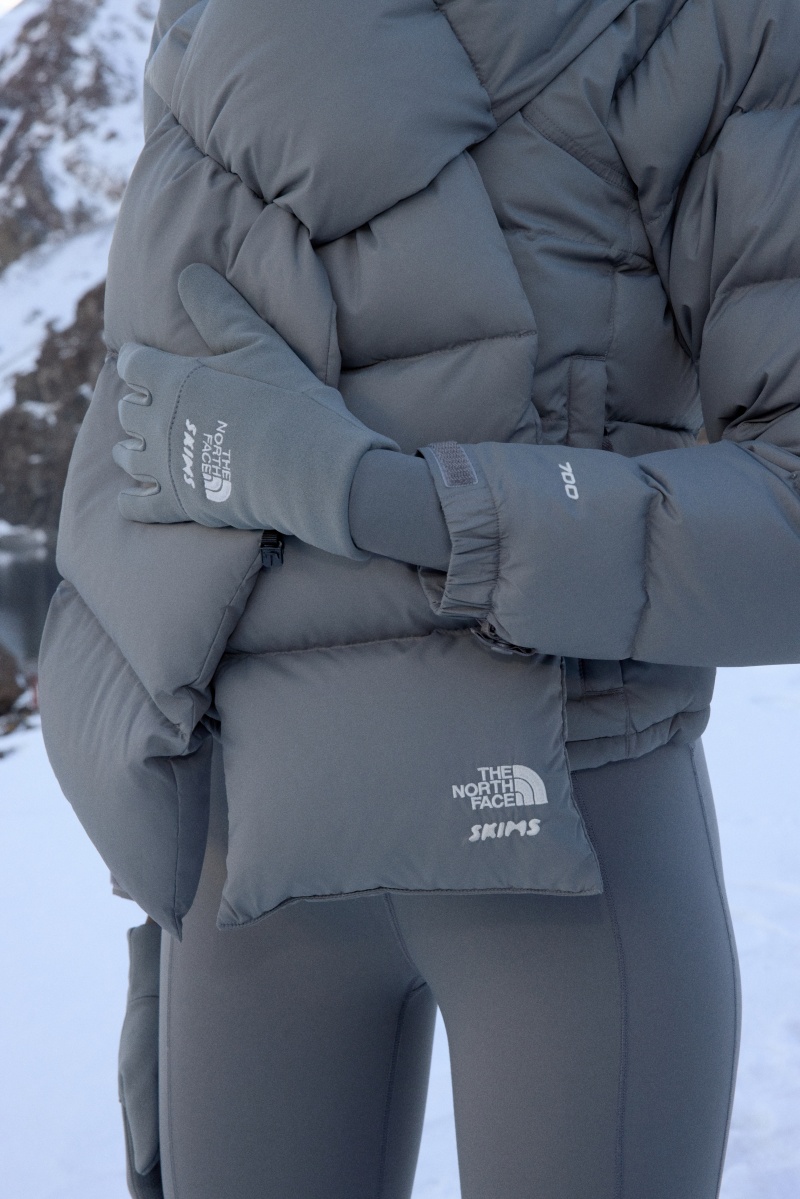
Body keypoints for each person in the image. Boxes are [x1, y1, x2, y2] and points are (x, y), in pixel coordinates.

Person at [39, 0, 800, 1196]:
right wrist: (151, 868)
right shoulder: (206, 21)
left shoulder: (707, 23)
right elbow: (150, 457)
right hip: (246, 877)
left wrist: (386, 499)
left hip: (566, 843)